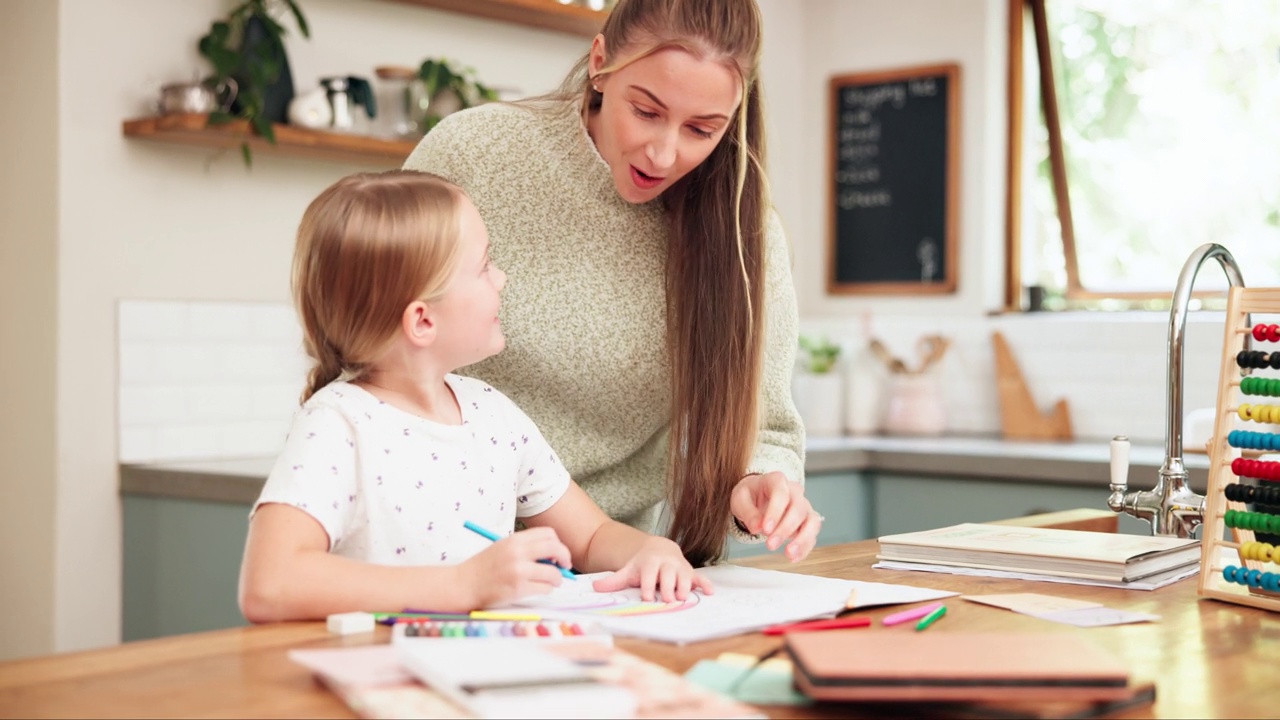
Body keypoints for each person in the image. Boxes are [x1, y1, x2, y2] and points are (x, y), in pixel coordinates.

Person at [403, 0, 818, 567]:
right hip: (431, 539)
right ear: (601, 64)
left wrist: (759, 486)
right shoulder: (474, 154)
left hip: (610, 566)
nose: (666, 152)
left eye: (702, 129)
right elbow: (370, 336)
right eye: (646, 111)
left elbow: (767, 427)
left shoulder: (744, 232)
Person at [238, 170, 711, 623]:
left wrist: (650, 550)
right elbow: (270, 583)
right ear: (423, 321)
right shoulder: (339, 426)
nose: (501, 279)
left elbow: (592, 537)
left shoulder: (493, 414)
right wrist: (462, 585)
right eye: (484, 266)